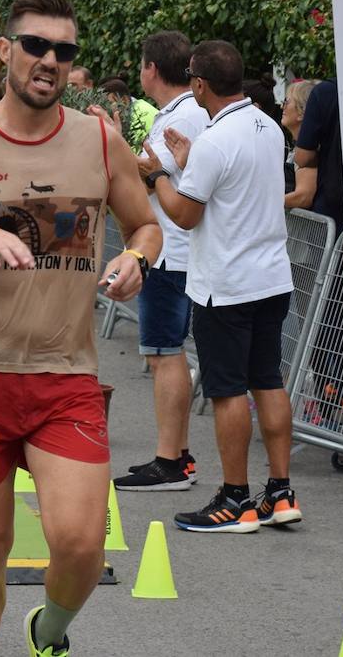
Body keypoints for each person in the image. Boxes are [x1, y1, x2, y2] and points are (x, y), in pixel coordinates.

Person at [0, 0, 161, 657]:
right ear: (7, 50)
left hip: (65, 376)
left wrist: (136, 259)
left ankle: (48, 631)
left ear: (74, 67)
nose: (49, 61)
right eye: (36, 46)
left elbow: (149, 224)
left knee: (80, 543)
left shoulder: (100, 139)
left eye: (64, 52)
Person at [142, 40, 300, 534]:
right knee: (268, 381)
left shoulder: (215, 139)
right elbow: (234, 187)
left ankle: (235, 499)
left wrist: (160, 175)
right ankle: (279, 491)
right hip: (271, 275)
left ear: (200, 83)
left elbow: (186, 215)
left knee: (228, 390)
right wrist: (190, 164)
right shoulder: (267, 127)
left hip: (226, 283)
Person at [115, 30, 210, 494]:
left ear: (151, 69)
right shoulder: (183, 112)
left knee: (164, 354)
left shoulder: (183, 116)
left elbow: (161, 176)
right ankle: (178, 456)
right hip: (175, 249)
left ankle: (169, 462)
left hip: (171, 251)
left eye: (141, 64)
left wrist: (113, 147)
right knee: (164, 352)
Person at [293, 78, 343, 421]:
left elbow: (304, 158)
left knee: (327, 308)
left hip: (332, 216)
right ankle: (341, 391)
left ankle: (338, 390)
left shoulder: (327, 93)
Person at [282, 79, 318, 210]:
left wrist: (264, 202)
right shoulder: (297, 146)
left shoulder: (308, 150)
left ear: (302, 112)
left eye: (287, 101)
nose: (282, 106)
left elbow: (303, 197)